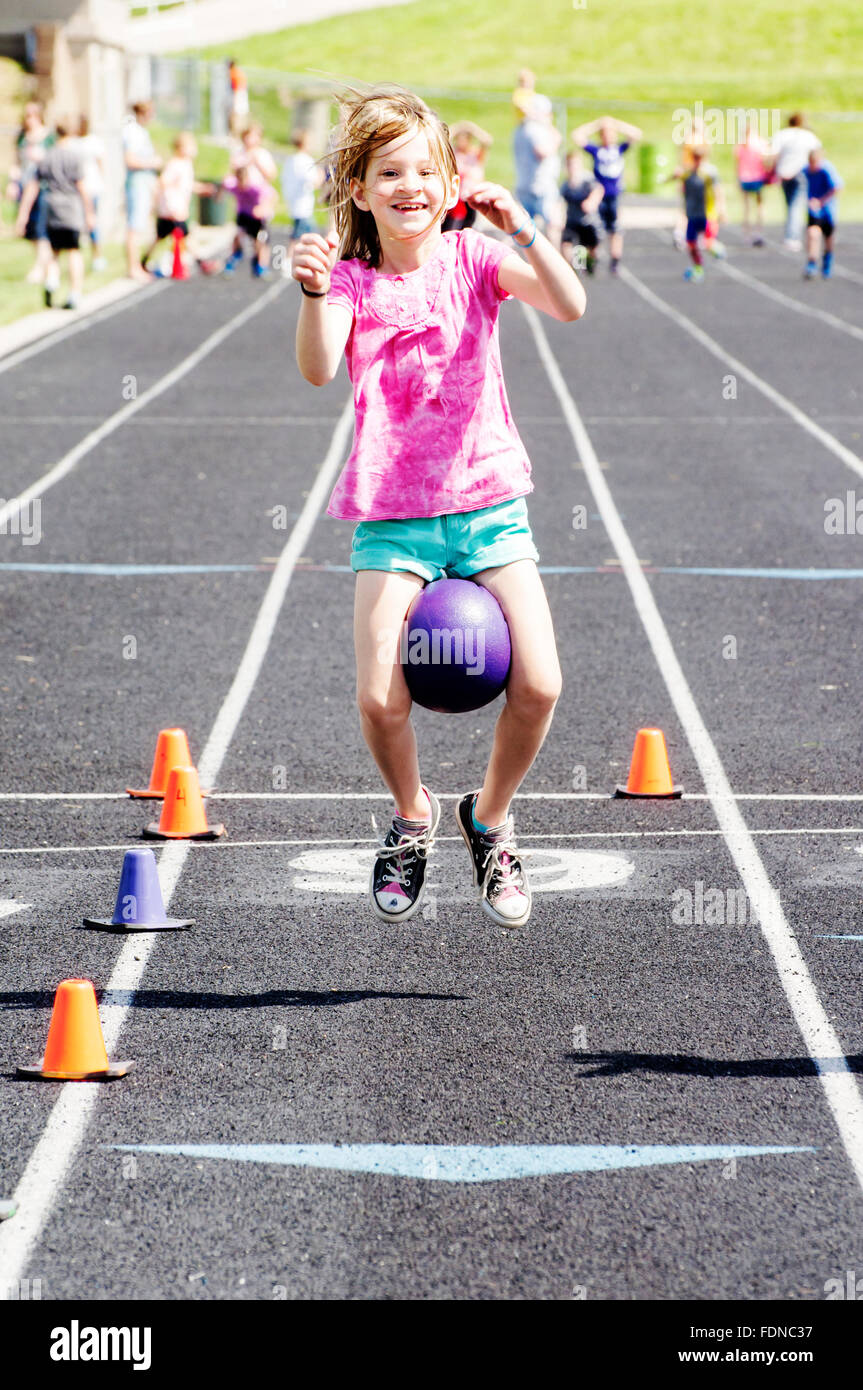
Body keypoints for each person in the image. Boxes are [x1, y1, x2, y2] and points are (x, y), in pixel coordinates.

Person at [291, 87, 585, 929]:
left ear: (450, 180)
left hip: (489, 503)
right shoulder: (348, 279)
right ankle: (411, 815)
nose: (409, 183)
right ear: (360, 190)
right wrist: (312, 295)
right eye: (389, 171)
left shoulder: (475, 260)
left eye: (425, 168)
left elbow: (570, 303)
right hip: (393, 515)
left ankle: (488, 818)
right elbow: (317, 369)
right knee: (381, 701)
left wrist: (521, 226)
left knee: (539, 683)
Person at [15, 117, 94, 310]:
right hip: (70, 208)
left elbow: (32, 187)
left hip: (51, 207)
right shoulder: (75, 157)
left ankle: (52, 280)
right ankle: (74, 293)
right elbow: (82, 187)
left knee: (54, 249)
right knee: (74, 251)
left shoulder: (47, 157)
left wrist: (23, 214)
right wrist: (90, 212)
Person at [572, 114, 642, 273]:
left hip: (614, 196)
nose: (608, 137)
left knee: (615, 229)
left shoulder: (619, 149)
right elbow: (577, 136)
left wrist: (616, 123)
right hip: (598, 197)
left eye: (611, 134)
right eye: (605, 134)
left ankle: (615, 261)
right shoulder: (597, 151)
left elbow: (636, 134)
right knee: (593, 228)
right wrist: (597, 124)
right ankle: (589, 259)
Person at [141, 132, 214, 276]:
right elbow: (163, 182)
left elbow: (186, 184)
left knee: (161, 237)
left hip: (176, 210)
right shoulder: (175, 164)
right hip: (173, 211)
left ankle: (144, 261)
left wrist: (202, 189)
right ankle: (201, 262)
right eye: (191, 146)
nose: (194, 150)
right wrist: (169, 205)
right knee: (185, 237)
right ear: (181, 148)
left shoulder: (186, 165)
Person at [6, 101, 53, 284]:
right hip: (25, 186)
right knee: (29, 228)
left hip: (43, 187)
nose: (29, 119)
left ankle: (42, 267)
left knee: (41, 228)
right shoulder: (22, 137)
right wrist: (13, 182)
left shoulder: (48, 137)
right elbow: (17, 162)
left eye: (32, 115)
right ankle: (42, 262)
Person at [667, 146, 725, 282]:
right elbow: (673, 179)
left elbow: (718, 190)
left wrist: (721, 209)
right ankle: (698, 268)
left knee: (708, 242)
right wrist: (673, 176)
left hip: (707, 214)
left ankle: (719, 250)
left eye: (700, 158)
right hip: (692, 214)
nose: (697, 161)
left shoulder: (710, 173)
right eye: (695, 158)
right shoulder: (687, 172)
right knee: (691, 244)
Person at [122, 101, 161, 281]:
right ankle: (133, 267)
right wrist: (153, 162)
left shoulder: (140, 132)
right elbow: (130, 160)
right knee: (134, 227)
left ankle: (137, 265)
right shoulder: (133, 132)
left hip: (144, 183)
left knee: (139, 226)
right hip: (137, 183)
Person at [770, 113, 820, 250]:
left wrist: (774, 171)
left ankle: (791, 235)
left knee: (790, 205)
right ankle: (792, 237)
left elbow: (774, 154)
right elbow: (817, 153)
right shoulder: (808, 136)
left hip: (785, 173)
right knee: (795, 206)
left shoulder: (782, 134)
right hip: (801, 172)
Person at [513, 93, 561, 236]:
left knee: (524, 229)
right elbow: (542, 152)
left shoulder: (520, 129)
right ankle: (554, 256)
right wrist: (556, 140)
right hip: (540, 184)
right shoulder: (534, 129)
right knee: (553, 224)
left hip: (525, 183)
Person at [219, 161, 277, 277]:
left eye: (244, 181)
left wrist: (262, 208)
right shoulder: (233, 185)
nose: (242, 185)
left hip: (257, 217)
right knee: (238, 236)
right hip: (243, 214)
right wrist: (219, 194)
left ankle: (261, 266)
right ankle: (234, 258)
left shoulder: (255, 187)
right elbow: (224, 183)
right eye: (239, 181)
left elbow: (273, 196)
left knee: (260, 241)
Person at [442, 120, 493, 232]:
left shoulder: (474, 154)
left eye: (464, 139)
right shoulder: (454, 153)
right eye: (459, 139)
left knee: (469, 225)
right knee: (452, 225)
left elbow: (487, 140)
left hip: (471, 196)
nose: (461, 142)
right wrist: (459, 127)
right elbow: (443, 138)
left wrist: (471, 128)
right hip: (458, 198)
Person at [70, 114, 106, 271]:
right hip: (77, 190)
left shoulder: (93, 141)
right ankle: (78, 257)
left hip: (91, 188)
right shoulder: (72, 143)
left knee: (92, 222)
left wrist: (101, 182)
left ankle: (97, 255)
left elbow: (100, 164)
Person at [559, 150, 603, 274]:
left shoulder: (587, 179)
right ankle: (573, 269)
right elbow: (560, 201)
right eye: (570, 165)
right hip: (572, 220)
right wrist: (559, 217)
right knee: (567, 243)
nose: (573, 168)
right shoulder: (566, 184)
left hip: (588, 220)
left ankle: (590, 262)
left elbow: (598, 189)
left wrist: (591, 201)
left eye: (575, 164)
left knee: (590, 246)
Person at [803, 147, 842, 280]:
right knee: (813, 234)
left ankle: (827, 261)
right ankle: (812, 263)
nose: (813, 166)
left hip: (828, 211)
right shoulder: (806, 170)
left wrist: (821, 201)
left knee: (828, 239)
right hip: (814, 211)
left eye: (815, 163)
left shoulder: (827, 170)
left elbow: (837, 187)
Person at [281, 129, 323, 240]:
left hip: (294, 203)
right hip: (303, 206)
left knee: (301, 236)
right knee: (305, 238)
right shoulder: (305, 161)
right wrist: (321, 174)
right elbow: (315, 181)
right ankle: (289, 257)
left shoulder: (291, 160)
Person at [734, 120, 768, 247]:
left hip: (744, 178)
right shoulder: (760, 143)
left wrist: (737, 179)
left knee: (746, 208)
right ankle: (758, 232)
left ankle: (746, 234)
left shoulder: (741, 145)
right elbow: (766, 160)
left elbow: (737, 164)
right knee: (759, 206)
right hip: (757, 177)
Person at [227, 59, 249, 137]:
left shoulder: (233, 72)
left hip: (238, 93)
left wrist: (234, 101)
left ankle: (236, 134)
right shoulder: (239, 71)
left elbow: (236, 87)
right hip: (242, 93)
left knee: (236, 115)